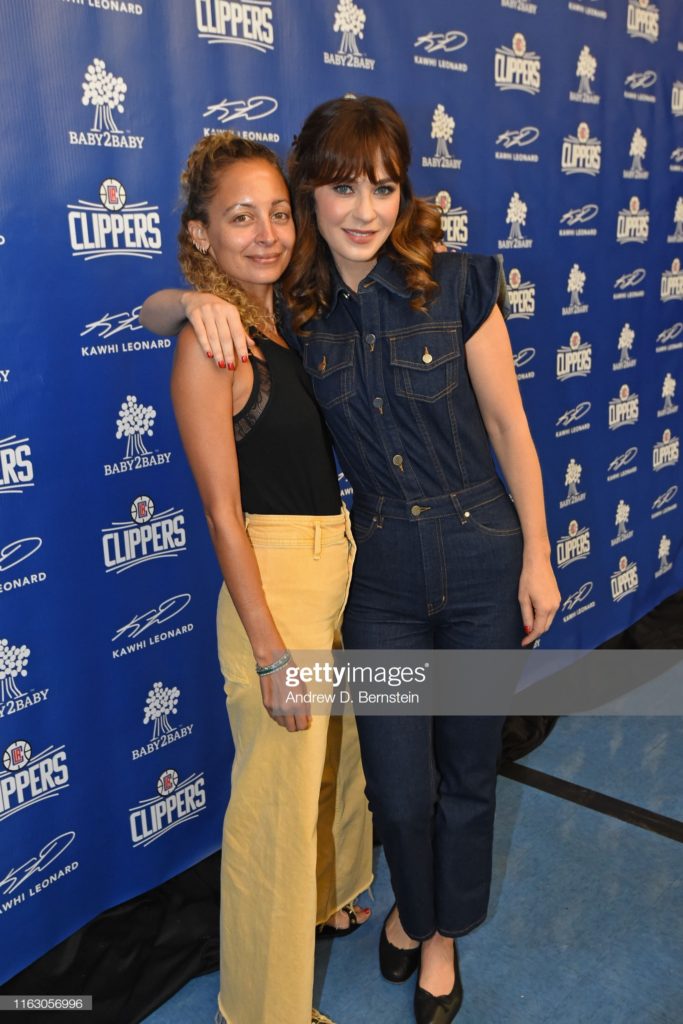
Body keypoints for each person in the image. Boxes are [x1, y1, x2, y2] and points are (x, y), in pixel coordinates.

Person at [142, 96, 561, 1024]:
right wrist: (187, 300)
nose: (363, 208)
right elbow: (165, 314)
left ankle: (434, 931)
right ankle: (385, 922)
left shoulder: (453, 284)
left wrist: (538, 553)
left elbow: (510, 426)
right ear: (311, 196)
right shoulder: (297, 308)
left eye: (382, 186)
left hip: (478, 560)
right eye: (339, 188)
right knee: (397, 789)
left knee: (463, 773)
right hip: (377, 581)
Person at [166, 131, 373, 1024]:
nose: (266, 232)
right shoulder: (206, 343)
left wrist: (170, 299)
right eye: (239, 217)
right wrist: (269, 650)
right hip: (275, 587)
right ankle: (259, 1010)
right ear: (201, 234)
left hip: (338, 562)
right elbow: (221, 515)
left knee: (342, 760)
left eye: (278, 213)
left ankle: (336, 891)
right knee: (274, 816)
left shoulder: (286, 313)